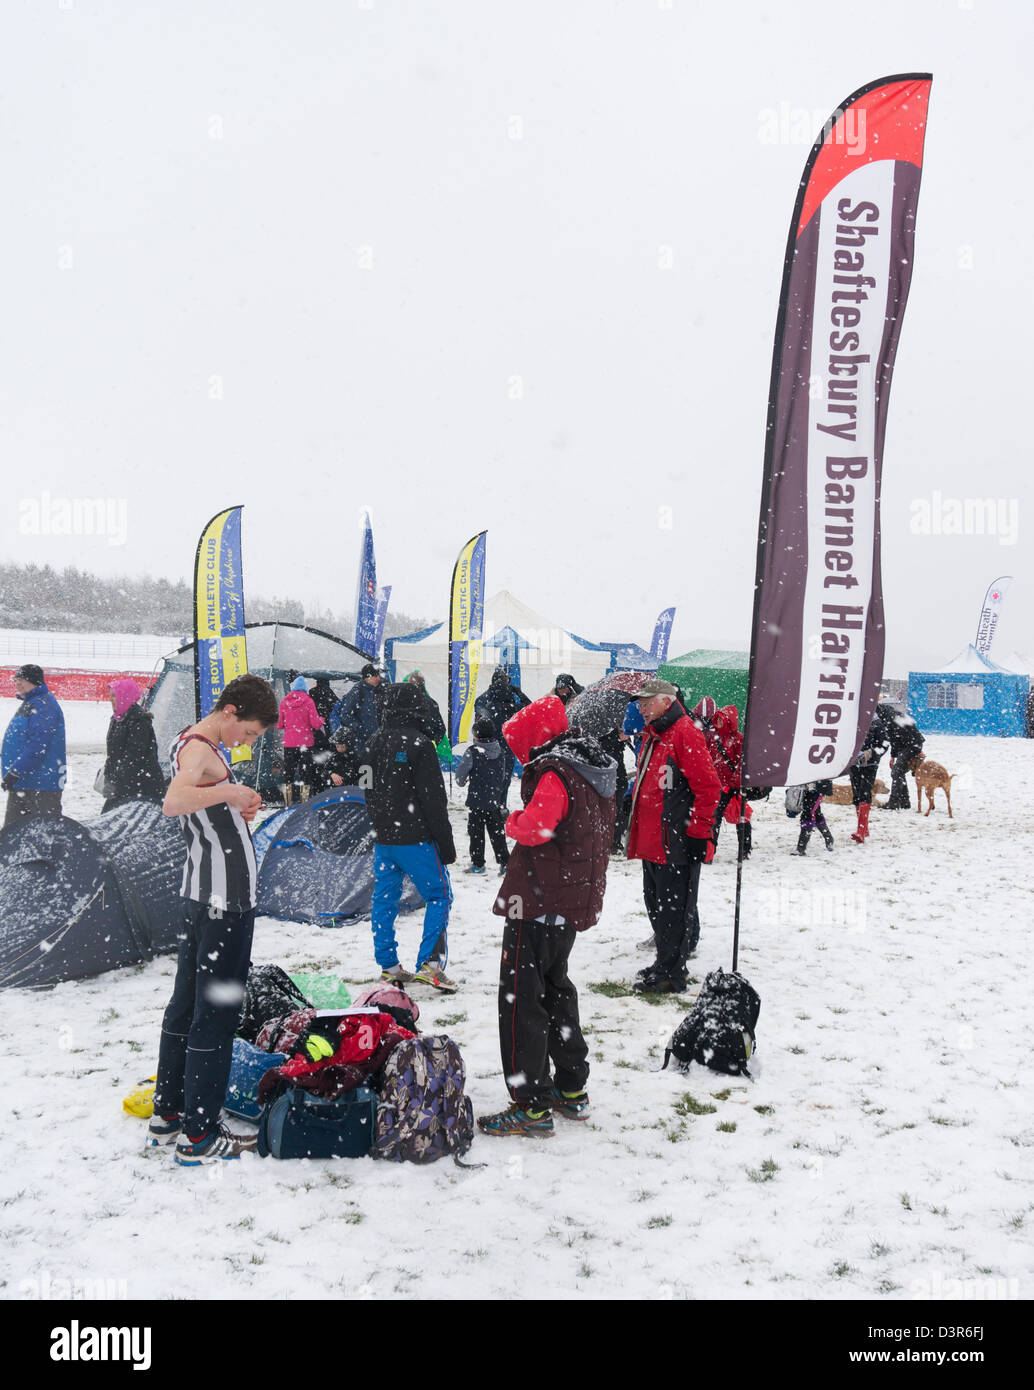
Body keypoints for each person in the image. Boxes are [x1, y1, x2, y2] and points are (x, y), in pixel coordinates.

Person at [149, 673, 278, 1165]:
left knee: (186, 1005)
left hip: (203, 894)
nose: (247, 742)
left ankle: (170, 1114)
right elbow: (174, 802)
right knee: (215, 1013)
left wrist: (236, 799)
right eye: (248, 733)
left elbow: (199, 806)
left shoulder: (195, 742)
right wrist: (227, 795)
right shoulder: (200, 747)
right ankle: (200, 1134)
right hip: (223, 900)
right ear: (230, 712)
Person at [477, 694, 615, 1139]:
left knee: (521, 1001)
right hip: (567, 903)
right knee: (557, 992)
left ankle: (530, 1102)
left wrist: (512, 820)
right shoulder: (588, 768)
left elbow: (536, 828)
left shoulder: (554, 772)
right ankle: (572, 1088)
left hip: (537, 902)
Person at [359, 681, 458, 992]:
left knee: (384, 900)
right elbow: (433, 799)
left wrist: (379, 820)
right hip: (416, 838)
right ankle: (430, 964)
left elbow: (365, 786)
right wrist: (446, 845)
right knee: (440, 896)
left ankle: (388, 965)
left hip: (384, 837)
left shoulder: (373, 741)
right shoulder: (420, 744)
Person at [625, 678, 721, 994]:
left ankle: (672, 973)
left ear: (666, 701)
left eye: (647, 701)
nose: (641, 707)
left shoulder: (684, 733)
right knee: (656, 905)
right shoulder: (654, 735)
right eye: (640, 702)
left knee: (674, 912)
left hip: (675, 844)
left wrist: (698, 833)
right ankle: (664, 962)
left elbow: (708, 788)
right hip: (654, 842)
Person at [1, 664, 67, 827]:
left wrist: (16, 772)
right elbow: (21, 739)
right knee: (13, 834)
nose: (17, 683)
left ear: (34, 681)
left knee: (46, 833)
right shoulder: (32, 702)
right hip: (25, 782)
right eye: (16, 680)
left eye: (21, 680)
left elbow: (39, 746)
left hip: (41, 783)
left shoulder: (44, 705)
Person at [454, 716, 510, 874]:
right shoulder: (501, 751)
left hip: (476, 800)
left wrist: (465, 780)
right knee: (497, 833)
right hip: (494, 800)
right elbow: (502, 775)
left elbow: (459, 778)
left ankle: (478, 864)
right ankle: (505, 862)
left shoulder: (472, 752)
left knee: (476, 833)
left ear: (476, 734)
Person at [101, 678, 165, 812]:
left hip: (143, 787)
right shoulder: (117, 719)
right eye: (110, 695)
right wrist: (108, 778)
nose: (110, 699)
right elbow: (112, 755)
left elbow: (134, 758)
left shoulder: (139, 721)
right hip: (125, 784)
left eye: (114, 696)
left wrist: (115, 784)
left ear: (125, 696)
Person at [474, 666, 531, 794]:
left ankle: (491, 807)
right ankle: (501, 807)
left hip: (489, 748)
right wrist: (519, 693)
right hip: (507, 748)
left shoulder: (488, 707)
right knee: (504, 781)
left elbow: (478, 704)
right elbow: (529, 706)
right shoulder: (513, 708)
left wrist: (491, 689)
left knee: (490, 781)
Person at [276, 676, 323, 802]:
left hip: (289, 743)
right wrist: (321, 720)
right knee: (305, 773)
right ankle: (304, 801)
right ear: (305, 689)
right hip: (305, 744)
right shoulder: (308, 701)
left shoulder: (284, 702)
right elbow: (315, 724)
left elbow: (279, 725)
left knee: (288, 773)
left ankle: (287, 801)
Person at [849, 710, 890, 844]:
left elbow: (884, 744)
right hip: (854, 763)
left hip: (870, 764)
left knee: (865, 792)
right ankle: (864, 828)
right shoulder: (852, 721)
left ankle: (861, 831)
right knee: (856, 794)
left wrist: (872, 752)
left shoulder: (877, 724)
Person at [331, 663, 384, 762]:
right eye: (376, 676)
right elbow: (345, 715)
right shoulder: (357, 692)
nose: (378, 679)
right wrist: (361, 729)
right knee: (364, 769)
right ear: (368, 677)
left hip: (378, 741)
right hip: (362, 742)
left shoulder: (380, 690)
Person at [879, 703, 925, 810]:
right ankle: (904, 801)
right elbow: (898, 738)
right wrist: (893, 756)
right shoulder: (894, 716)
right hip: (912, 744)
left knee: (897, 771)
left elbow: (897, 738)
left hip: (911, 745)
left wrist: (917, 750)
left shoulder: (890, 720)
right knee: (898, 772)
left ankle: (894, 802)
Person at [403, 670, 446, 746]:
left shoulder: (407, 703)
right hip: (426, 747)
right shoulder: (432, 702)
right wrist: (434, 742)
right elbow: (441, 728)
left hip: (412, 747)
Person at [794, 780, 834, 854]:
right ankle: (829, 838)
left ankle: (801, 847)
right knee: (816, 813)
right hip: (808, 785)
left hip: (818, 786)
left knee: (808, 814)